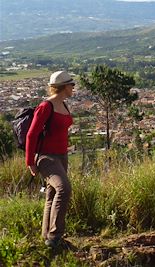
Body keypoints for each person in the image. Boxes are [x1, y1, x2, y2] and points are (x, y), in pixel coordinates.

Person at [26, 70, 74, 248]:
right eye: (71, 85)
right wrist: (30, 162)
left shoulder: (63, 104)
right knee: (64, 189)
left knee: (51, 194)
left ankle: (46, 235)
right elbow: (32, 135)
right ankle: (55, 237)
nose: (73, 88)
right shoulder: (46, 106)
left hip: (61, 156)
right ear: (63, 87)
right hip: (47, 157)